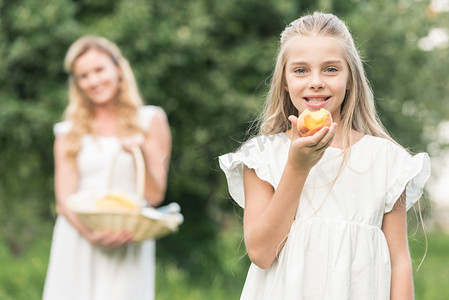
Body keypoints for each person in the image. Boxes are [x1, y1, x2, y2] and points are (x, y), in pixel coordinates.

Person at [219, 12, 430, 300]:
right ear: (283, 80)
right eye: (301, 70)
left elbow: (399, 263)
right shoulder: (263, 156)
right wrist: (297, 167)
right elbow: (261, 253)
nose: (316, 81)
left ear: (351, 79)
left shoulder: (386, 161)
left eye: (331, 69)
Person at [43, 36, 171, 300]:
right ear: (77, 84)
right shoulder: (68, 132)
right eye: (83, 76)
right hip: (79, 239)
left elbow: (156, 195)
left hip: (129, 240)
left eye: (99, 70)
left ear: (118, 69)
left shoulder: (150, 120)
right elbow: (64, 198)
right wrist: (92, 234)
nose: (93, 81)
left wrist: (142, 151)